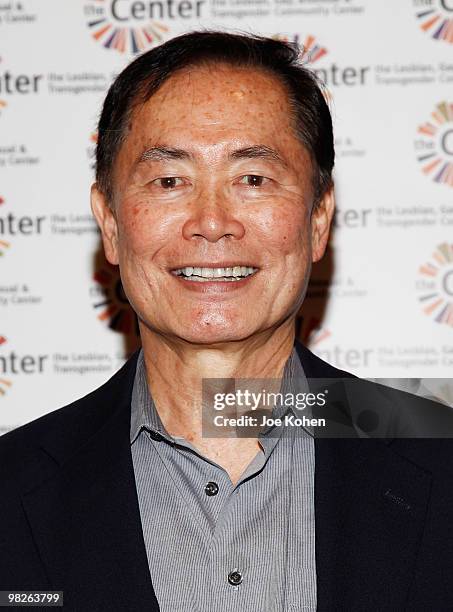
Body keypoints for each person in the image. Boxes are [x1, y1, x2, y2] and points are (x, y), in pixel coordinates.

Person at [1, 30, 453, 612]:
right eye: (170, 181)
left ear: (318, 219)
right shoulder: (10, 493)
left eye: (252, 179)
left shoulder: (438, 459)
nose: (211, 222)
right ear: (109, 223)